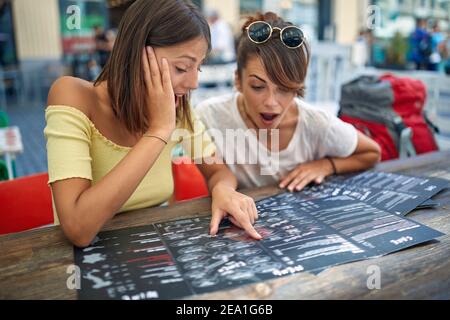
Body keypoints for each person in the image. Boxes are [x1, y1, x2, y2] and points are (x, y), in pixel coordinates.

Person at [44, 0, 261, 248]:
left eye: (197, 68)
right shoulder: (72, 95)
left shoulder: (178, 106)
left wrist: (223, 189)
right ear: (136, 53)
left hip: (155, 250)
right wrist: (158, 131)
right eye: (182, 67)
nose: (193, 83)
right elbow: (78, 228)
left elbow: (217, 170)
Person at [196, 12, 381, 191]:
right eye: (258, 87)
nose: (270, 102)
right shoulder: (209, 116)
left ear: (297, 86)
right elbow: (215, 175)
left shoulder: (316, 124)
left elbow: (372, 153)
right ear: (238, 80)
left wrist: (326, 165)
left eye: (284, 89)